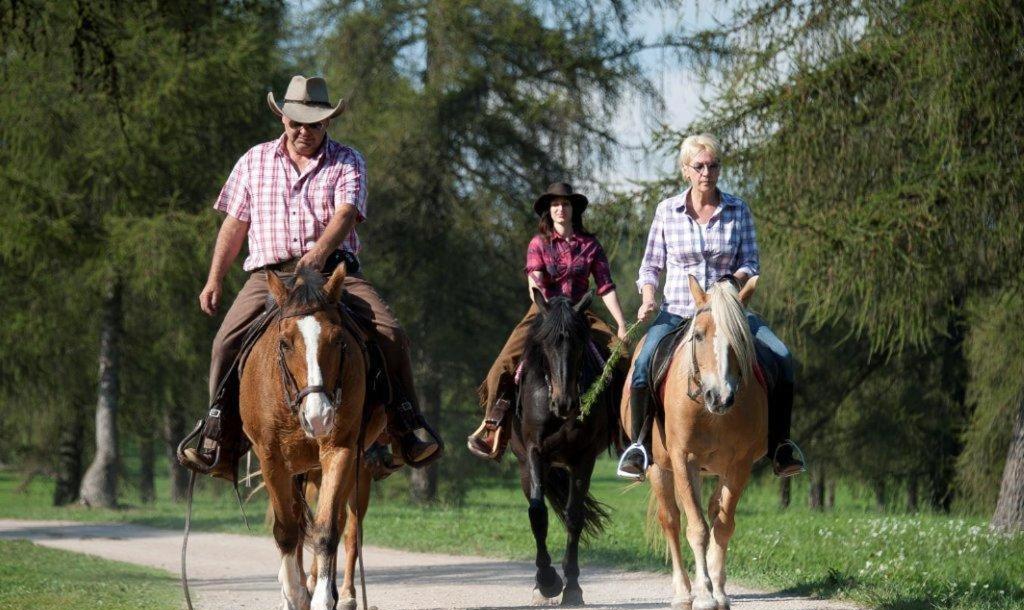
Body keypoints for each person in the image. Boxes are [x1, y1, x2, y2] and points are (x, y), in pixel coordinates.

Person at [182, 75, 442, 479]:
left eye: (314, 124)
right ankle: (219, 432)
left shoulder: (348, 160)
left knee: (391, 332)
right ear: (282, 119)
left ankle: (406, 423)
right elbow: (235, 224)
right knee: (225, 343)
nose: (304, 132)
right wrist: (214, 277)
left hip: (334, 271)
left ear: (327, 124)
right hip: (269, 275)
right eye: (296, 123)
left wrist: (317, 256)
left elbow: (345, 215)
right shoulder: (254, 160)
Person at [616, 134, 805, 480]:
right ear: (686, 170)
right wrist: (647, 297)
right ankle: (639, 447)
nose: (707, 172)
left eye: (713, 165)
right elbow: (650, 266)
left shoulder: (738, 210)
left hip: (729, 313)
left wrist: (732, 282)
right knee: (642, 364)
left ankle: (780, 445)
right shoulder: (667, 211)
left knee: (781, 357)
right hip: (677, 311)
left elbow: (751, 262)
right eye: (699, 166)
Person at [467, 183, 630, 460]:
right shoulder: (538, 243)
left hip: (580, 313)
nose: (560, 209)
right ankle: (494, 429)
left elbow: (605, 286)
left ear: (573, 210)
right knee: (502, 365)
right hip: (543, 312)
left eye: (565, 204)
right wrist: (547, 306)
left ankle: (624, 433)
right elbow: (535, 282)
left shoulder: (590, 245)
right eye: (555, 204)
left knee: (623, 358)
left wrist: (622, 323)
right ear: (549, 211)